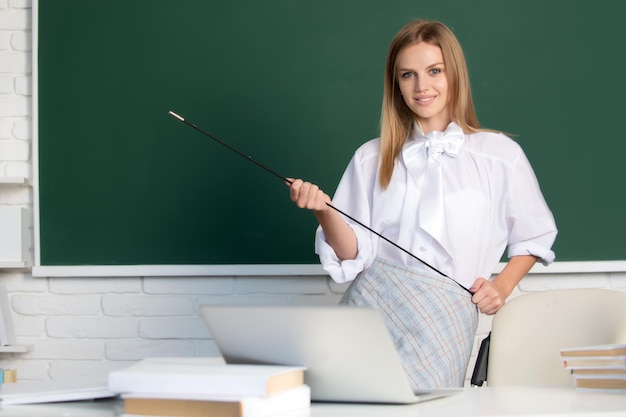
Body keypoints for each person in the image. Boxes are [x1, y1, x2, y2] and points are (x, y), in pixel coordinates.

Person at [287, 19, 557, 389]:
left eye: (434, 71)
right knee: (346, 402)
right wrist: (324, 210)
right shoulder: (371, 157)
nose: (422, 86)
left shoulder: (500, 155)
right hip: (369, 314)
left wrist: (502, 286)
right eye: (407, 75)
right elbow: (354, 254)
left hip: (445, 319)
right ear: (395, 85)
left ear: (455, 74)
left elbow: (534, 235)